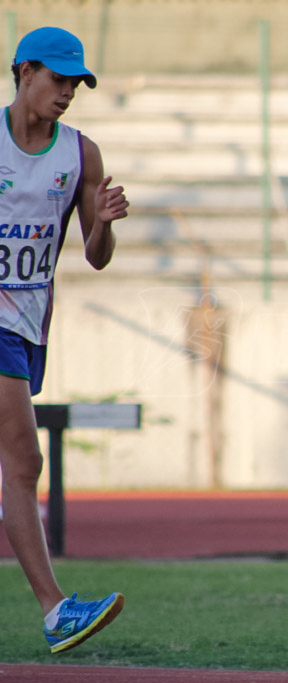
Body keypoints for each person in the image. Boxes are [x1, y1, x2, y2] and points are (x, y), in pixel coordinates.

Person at [0, 27, 129, 653]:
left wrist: (101, 224)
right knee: (24, 462)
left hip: (29, 327)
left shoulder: (81, 154)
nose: (68, 92)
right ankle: (56, 612)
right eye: (58, 79)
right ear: (23, 72)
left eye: (77, 82)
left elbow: (96, 257)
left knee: (16, 467)